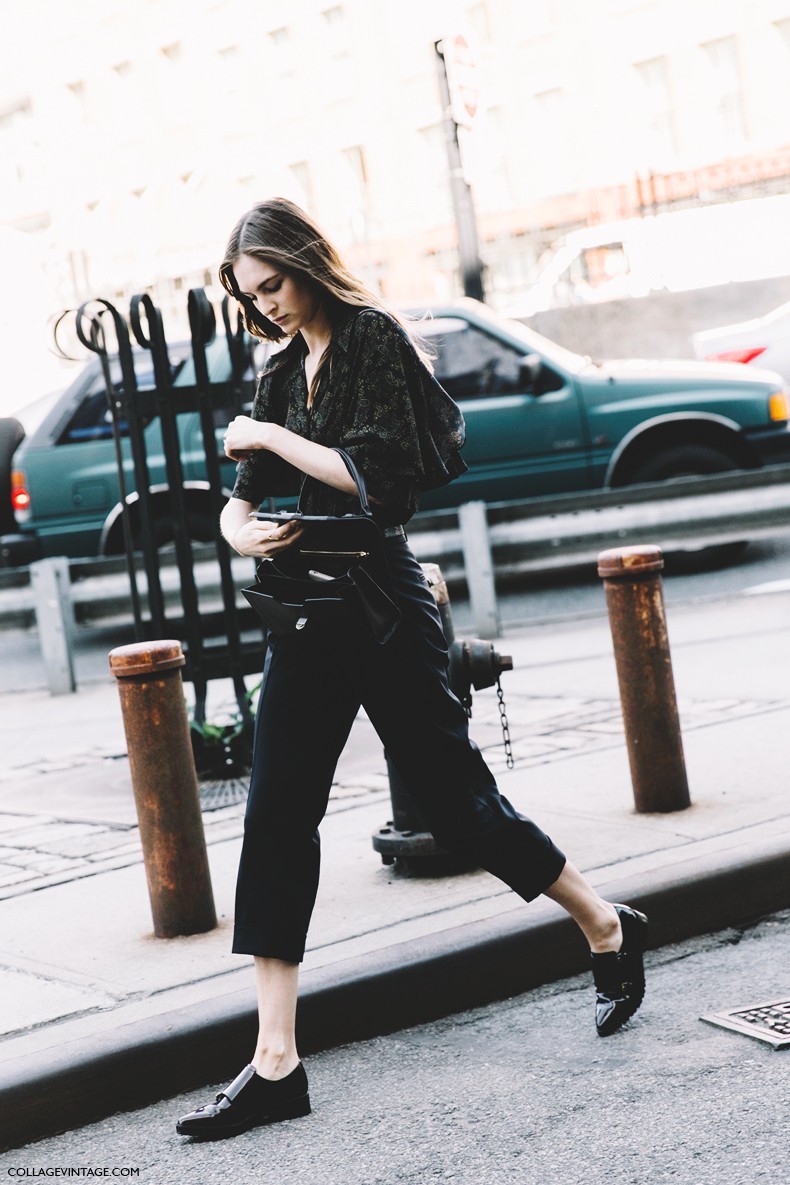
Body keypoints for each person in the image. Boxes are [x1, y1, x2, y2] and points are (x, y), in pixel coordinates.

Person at [175, 197, 648, 1141]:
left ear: (305, 263)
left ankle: (605, 923)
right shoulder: (279, 370)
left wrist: (265, 438)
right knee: (275, 815)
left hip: (383, 605)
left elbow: (374, 475)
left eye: (272, 286)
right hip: (304, 607)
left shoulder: (372, 337)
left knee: (457, 803)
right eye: (249, 296)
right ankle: (276, 1060)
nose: (264, 307)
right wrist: (240, 533)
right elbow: (238, 501)